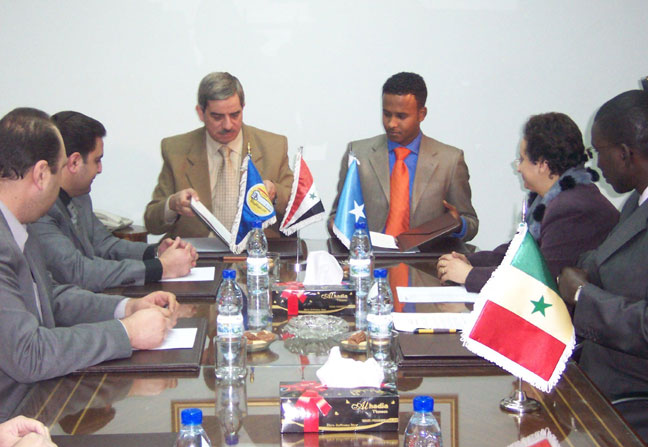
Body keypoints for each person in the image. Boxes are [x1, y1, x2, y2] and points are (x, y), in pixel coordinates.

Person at [0, 107, 178, 404]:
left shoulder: (18, 226)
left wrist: (127, 307)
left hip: (43, 393)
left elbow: (51, 298)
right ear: (42, 174)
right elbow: (30, 354)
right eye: (59, 170)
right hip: (17, 412)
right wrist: (126, 333)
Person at [437, 113, 619, 292]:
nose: (518, 168)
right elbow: (516, 253)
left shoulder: (572, 208)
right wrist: (470, 261)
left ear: (542, 164)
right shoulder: (556, 199)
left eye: (522, 159)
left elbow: (540, 279)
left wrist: (470, 275)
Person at [558, 90, 648, 441]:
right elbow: (603, 259)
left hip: (630, 400)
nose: (596, 165)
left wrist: (584, 295)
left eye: (598, 152)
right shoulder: (636, 203)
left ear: (625, 154)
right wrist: (580, 273)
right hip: (596, 376)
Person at [28, 111, 197, 293]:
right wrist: (159, 268)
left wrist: (155, 252)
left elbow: (105, 245)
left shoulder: (80, 196)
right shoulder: (40, 210)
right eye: (97, 160)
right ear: (75, 162)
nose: (100, 169)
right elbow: (77, 272)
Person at [329, 72, 478, 241]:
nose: (391, 123)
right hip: (370, 254)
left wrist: (458, 224)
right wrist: (337, 226)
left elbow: (471, 223)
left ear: (421, 114)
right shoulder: (358, 153)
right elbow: (337, 215)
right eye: (387, 114)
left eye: (401, 116)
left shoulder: (449, 161)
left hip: (425, 256)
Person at [144, 72, 293, 238]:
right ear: (201, 113)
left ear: (243, 108)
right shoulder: (176, 150)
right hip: (197, 250)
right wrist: (172, 205)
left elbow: (298, 208)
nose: (228, 125)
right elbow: (152, 223)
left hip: (256, 249)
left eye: (235, 115)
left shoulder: (273, 147)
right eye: (217, 117)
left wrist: (275, 193)